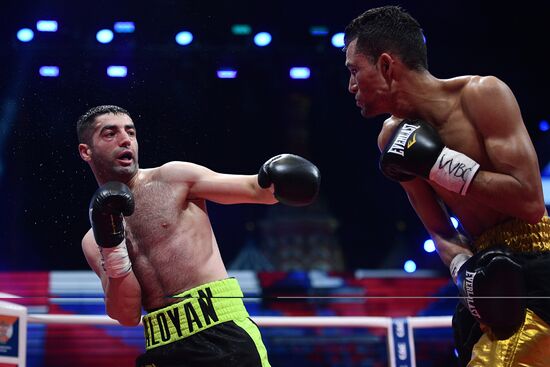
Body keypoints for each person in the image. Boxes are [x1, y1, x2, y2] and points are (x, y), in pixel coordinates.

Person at [344, 5, 550, 367]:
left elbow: (530, 201)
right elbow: (437, 227)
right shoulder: (392, 137)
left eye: (354, 71)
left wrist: (440, 165)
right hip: (482, 267)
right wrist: (465, 273)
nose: (351, 86)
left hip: (541, 254)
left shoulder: (482, 95)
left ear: (386, 65)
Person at [76, 105, 321, 367]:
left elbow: (255, 188)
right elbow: (126, 314)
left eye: (131, 132)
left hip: (222, 331)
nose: (125, 139)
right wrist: (112, 247)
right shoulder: (93, 241)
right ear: (85, 151)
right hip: (162, 345)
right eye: (110, 134)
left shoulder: (172, 178)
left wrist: (280, 178)